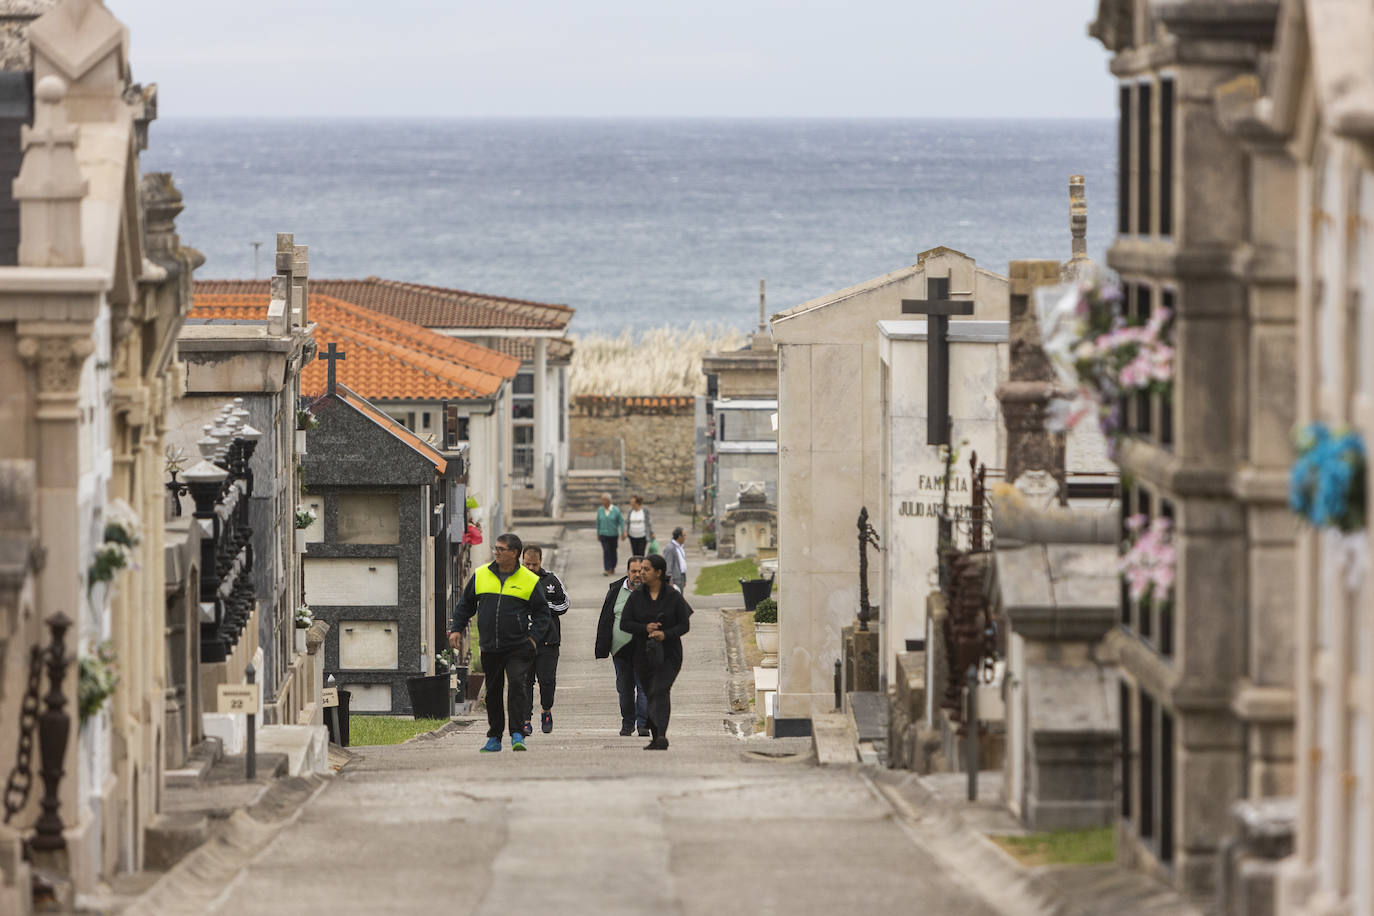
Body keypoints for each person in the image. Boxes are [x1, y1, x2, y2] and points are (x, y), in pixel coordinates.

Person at [449, 533, 551, 753]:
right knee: (493, 692)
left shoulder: (529, 580)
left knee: (517, 685)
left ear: (514, 553)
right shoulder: (481, 575)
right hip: (490, 646)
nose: (496, 552)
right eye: (495, 548)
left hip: (518, 646)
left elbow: (543, 614)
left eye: (501, 549)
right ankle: (494, 736)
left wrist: (533, 639)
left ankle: (517, 733)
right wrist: (456, 628)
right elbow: (465, 605)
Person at [619, 553, 692, 750]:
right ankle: (655, 736)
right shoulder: (636, 597)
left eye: (646, 569)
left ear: (658, 573)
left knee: (661, 689)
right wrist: (645, 628)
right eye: (640, 569)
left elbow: (684, 625)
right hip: (643, 653)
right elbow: (625, 623)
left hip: (669, 654)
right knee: (651, 692)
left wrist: (665, 634)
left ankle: (661, 735)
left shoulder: (673, 596)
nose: (642, 573)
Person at [594, 555, 650, 736]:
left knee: (644, 688)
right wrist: (603, 646)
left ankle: (643, 725)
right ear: (627, 572)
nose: (637, 575)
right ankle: (628, 724)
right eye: (633, 571)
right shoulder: (616, 590)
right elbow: (605, 619)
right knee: (625, 690)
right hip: (620, 652)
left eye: (641, 571)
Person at [520, 545, 569, 735]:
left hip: (548, 642)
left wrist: (544, 606)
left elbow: (564, 603)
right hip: (523, 642)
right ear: (522, 562)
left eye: (535, 564)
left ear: (541, 562)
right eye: (527, 564)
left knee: (547, 681)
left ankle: (546, 710)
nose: (531, 567)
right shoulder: (514, 581)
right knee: (525, 683)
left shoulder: (551, 580)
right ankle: (525, 720)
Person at [596, 493, 624, 577]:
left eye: (604, 499)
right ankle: (607, 568)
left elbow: (621, 521)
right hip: (603, 534)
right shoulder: (600, 510)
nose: (602, 501)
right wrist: (598, 533)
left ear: (609, 500)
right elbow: (598, 522)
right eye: (602, 499)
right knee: (606, 550)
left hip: (613, 534)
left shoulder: (615, 510)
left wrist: (623, 532)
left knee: (613, 551)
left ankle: (613, 566)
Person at [664, 526, 688, 591]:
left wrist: (684, 579)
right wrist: (669, 580)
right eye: (684, 535)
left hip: (681, 577)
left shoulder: (680, 547)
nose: (685, 538)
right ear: (679, 536)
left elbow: (682, 563)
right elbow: (668, 565)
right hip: (675, 579)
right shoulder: (670, 548)